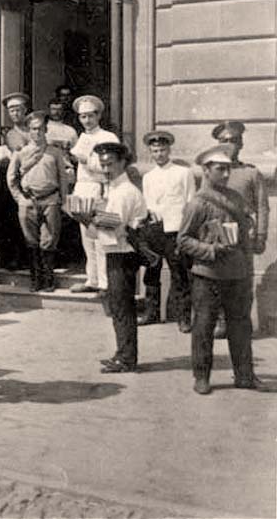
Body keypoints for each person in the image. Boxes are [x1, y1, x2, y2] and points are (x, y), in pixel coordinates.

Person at [178, 145, 263, 394]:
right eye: (220, 169)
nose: (226, 174)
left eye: (228, 169)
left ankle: (245, 375)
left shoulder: (236, 198)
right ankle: (201, 377)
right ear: (206, 170)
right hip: (208, 275)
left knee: (240, 326)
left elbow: (245, 239)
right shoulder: (197, 204)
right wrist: (211, 250)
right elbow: (183, 240)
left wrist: (247, 268)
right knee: (204, 326)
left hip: (236, 274)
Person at [87, 142, 149, 373]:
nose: (105, 169)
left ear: (123, 163)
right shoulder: (114, 189)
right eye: (102, 165)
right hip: (117, 252)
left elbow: (115, 227)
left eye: (110, 164)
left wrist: (89, 219)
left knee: (122, 308)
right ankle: (123, 353)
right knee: (120, 306)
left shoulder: (124, 192)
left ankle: (126, 358)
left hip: (122, 254)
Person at [213, 121, 269, 339]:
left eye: (233, 140)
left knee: (243, 280)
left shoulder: (251, 173)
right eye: (223, 141)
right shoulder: (211, 171)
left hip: (243, 233)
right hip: (216, 231)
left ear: (241, 143)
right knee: (217, 279)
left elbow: (263, 207)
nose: (228, 144)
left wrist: (261, 235)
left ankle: (241, 322)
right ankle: (221, 321)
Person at [139, 130, 196, 330]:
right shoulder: (148, 177)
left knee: (180, 274)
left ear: (169, 150)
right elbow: (147, 204)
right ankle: (151, 312)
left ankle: (183, 317)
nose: (159, 154)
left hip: (175, 230)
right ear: (150, 152)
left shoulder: (183, 173)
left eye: (162, 150)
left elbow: (190, 203)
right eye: (155, 151)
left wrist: (186, 231)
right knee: (151, 273)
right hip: (154, 230)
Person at [7, 111, 70, 292]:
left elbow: (63, 178)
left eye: (41, 129)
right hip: (28, 201)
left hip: (50, 200)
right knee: (31, 241)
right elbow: (11, 178)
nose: (37, 133)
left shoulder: (54, 152)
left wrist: (62, 200)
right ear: (28, 131)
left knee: (49, 241)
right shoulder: (21, 153)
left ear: (46, 130)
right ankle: (36, 280)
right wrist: (19, 198)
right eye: (34, 129)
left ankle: (48, 280)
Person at [68, 95, 118, 294]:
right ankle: (93, 279)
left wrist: (87, 160)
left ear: (98, 116)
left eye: (90, 116)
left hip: (101, 188)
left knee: (101, 237)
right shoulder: (83, 137)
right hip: (82, 189)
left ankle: (106, 283)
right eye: (82, 117)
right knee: (86, 238)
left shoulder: (107, 137)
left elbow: (111, 166)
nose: (86, 121)